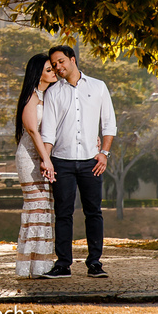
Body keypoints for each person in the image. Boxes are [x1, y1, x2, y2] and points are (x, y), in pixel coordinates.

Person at [38, 44, 116, 279]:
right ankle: (63, 264)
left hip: (91, 162)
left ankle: (95, 263)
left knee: (94, 212)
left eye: (61, 61)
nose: (58, 67)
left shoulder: (98, 86)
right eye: (54, 65)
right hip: (61, 162)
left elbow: (109, 124)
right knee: (63, 213)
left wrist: (104, 153)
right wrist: (47, 160)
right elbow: (48, 131)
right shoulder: (53, 92)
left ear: (72, 59)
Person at [14, 54, 58, 278]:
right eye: (49, 69)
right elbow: (33, 131)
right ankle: (29, 267)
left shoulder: (48, 95)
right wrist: (46, 159)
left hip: (42, 158)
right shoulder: (31, 96)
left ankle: (40, 266)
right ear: (37, 72)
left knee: (45, 209)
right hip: (29, 159)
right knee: (36, 208)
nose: (53, 71)